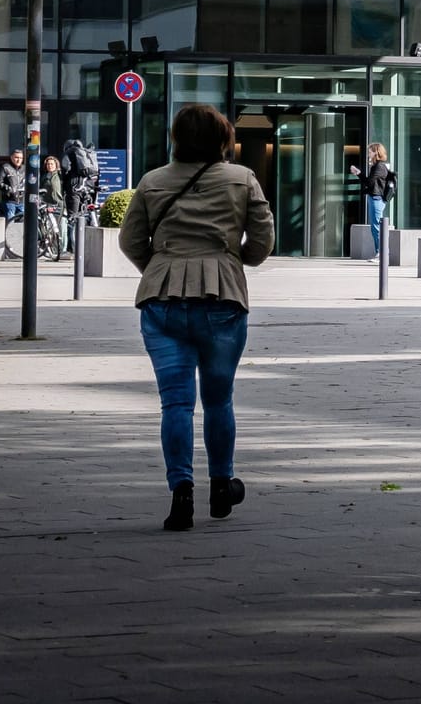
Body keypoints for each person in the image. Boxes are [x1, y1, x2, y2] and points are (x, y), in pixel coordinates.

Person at [121, 103, 274, 533]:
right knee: (219, 399)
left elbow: (131, 240)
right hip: (222, 298)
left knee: (175, 401)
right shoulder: (242, 179)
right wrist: (231, 259)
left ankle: (181, 491)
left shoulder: (153, 182)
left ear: (176, 138)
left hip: (162, 299)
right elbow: (262, 242)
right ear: (223, 138)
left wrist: (162, 266)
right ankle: (222, 484)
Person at [360, 142, 396, 259]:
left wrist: (359, 173)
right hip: (374, 197)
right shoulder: (378, 166)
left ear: (376, 152)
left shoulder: (379, 167)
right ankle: (380, 252)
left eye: (370, 151)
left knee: (377, 227)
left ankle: (382, 253)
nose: (368, 154)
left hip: (377, 198)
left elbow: (369, 182)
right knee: (374, 227)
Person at [40, 154, 67, 256]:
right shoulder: (44, 177)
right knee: (50, 228)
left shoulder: (60, 175)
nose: (50, 166)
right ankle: (52, 249)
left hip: (59, 204)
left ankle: (62, 249)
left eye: (52, 164)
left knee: (62, 227)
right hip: (48, 204)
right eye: (48, 164)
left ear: (56, 165)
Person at [0, 149, 27, 223]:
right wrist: (8, 189)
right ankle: (9, 234)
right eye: (16, 157)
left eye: (21, 158)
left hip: (22, 200)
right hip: (9, 200)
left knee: (23, 222)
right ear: (11, 157)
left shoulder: (24, 168)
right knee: (10, 221)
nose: (19, 160)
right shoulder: (6, 167)